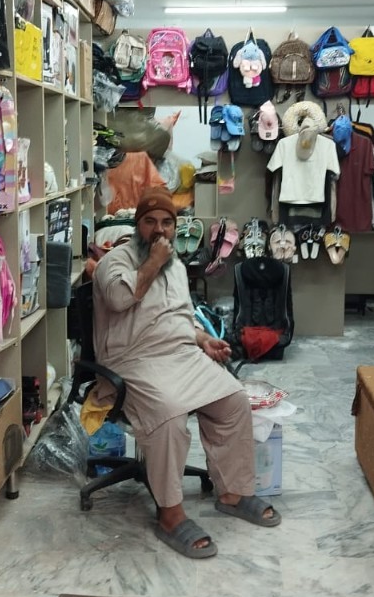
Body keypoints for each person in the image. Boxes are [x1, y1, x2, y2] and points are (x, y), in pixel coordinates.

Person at [91, 186, 281, 558]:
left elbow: (178, 317)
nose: (159, 230)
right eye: (150, 222)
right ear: (137, 225)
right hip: (134, 361)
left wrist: (202, 339)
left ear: (175, 228)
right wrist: (152, 263)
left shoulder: (175, 266)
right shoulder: (116, 262)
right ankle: (170, 514)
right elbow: (118, 298)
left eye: (167, 223)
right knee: (168, 416)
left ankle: (233, 492)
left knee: (233, 401)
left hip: (181, 354)